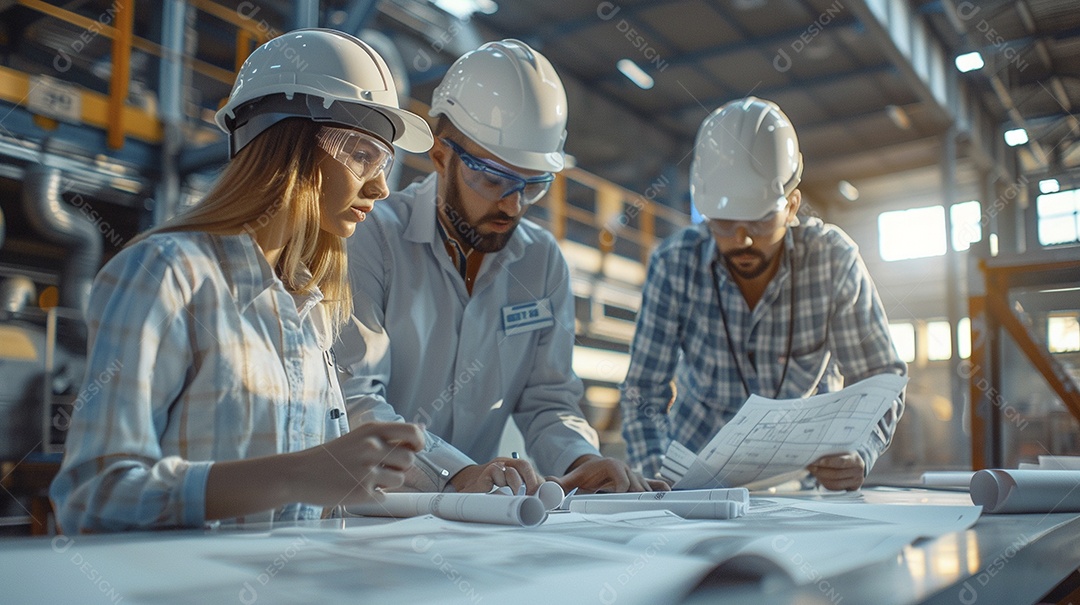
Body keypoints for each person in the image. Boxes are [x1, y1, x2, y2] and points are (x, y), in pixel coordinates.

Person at [49, 29, 432, 533]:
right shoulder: (167, 274)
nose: (381, 186)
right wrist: (295, 476)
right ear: (288, 143)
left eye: (384, 162)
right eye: (363, 155)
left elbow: (303, 509)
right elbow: (93, 497)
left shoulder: (308, 306)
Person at [338, 39, 667, 494]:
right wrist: (454, 474)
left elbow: (548, 402)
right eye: (493, 180)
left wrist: (583, 461)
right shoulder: (372, 238)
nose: (512, 206)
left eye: (532, 187)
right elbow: (355, 398)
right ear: (440, 156)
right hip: (372, 510)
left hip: (481, 511)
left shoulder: (541, 262)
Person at [619, 97, 907, 491]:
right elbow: (643, 390)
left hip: (802, 484)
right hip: (694, 486)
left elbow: (877, 377)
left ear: (791, 206)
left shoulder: (832, 261)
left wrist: (862, 449)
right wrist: (657, 477)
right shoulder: (674, 265)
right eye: (724, 223)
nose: (743, 239)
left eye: (758, 220)